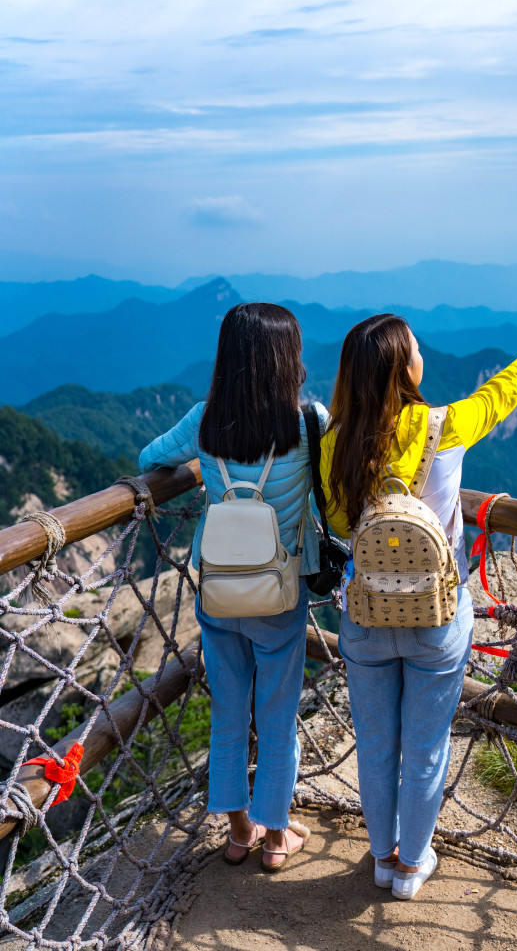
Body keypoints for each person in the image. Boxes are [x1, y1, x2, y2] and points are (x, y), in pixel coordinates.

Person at [320, 312, 517, 899]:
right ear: (404, 367)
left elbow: (340, 524)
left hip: (365, 616)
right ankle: (411, 867)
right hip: (436, 615)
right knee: (426, 747)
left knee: (375, 745)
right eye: (416, 347)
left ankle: (381, 859)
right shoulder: (446, 425)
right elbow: (508, 386)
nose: (424, 353)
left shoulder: (331, 443)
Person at [138, 303, 328, 872]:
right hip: (281, 593)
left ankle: (238, 832)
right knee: (276, 714)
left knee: (228, 712)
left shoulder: (204, 420)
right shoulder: (308, 421)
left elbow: (149, 458)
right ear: (286, 359)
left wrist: (202, 470)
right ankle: (276, 838)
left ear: (230, 358)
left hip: (217, 592)